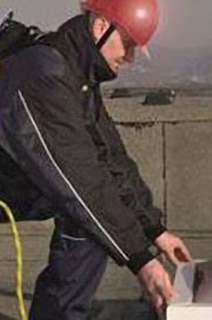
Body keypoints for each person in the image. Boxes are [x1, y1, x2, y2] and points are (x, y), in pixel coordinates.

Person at [0, 0, 192, 319]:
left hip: (12, 183)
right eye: (129, 45)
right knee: (87, 209)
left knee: (90, 219)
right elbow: (81, 181)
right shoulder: (44, 74)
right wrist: (141, 260)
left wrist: (154, 230)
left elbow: (110, 161)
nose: (129, 58)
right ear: (101, 28)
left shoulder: (76, 72)